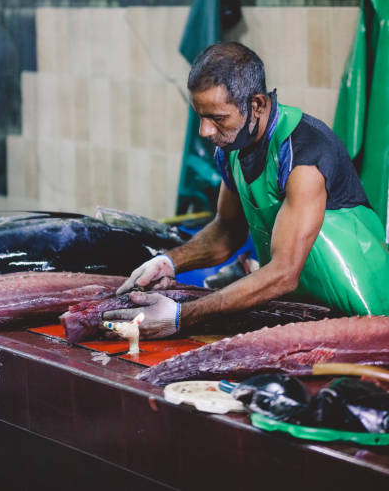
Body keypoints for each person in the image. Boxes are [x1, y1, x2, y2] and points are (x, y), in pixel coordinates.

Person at [102, 42, 389, 339]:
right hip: (310, 310)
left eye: (217, 118)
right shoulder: (232, 148)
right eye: (200, 116)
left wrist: (181, 316)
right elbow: (227, 232)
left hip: (367, 310)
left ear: (257, 105)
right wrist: (169, 261)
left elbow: (283, 273)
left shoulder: (304, 154)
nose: (205, 131)